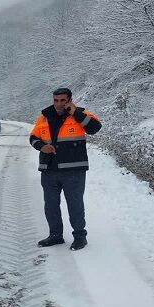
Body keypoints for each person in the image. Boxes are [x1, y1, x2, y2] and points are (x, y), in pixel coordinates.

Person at [29, 88, 102, 250]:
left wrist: (76, 113)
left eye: (62, 100)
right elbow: (33, 137)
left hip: (73, 170)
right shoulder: (44, 116)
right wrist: (42, 146)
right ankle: (55, 235)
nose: (58, 104)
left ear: (69, 100)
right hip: (49, 169)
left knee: (75, 204)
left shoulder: (81, 114)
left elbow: (95, 128)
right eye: (56, 100)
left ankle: (80, 237)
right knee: (51, 205)